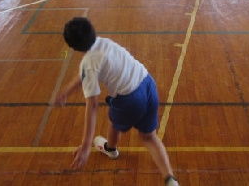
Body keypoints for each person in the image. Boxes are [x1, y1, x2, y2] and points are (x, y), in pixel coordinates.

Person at [55, 17, 180, 186]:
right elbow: (87, 72)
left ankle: (111, 149)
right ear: (92, 30)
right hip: (148, 83)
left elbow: (92, 105)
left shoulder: (88, 63)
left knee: (114, 122)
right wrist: (68, 90)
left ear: (73, 47)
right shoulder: (104, 42)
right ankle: (170, 180)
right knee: (149, 137)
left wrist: (85, 146)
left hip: (129, 99)